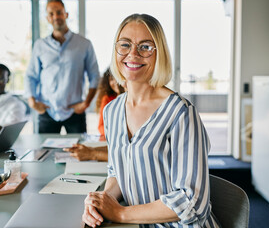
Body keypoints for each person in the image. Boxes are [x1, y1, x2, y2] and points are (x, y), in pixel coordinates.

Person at [82, 14, 220, 228]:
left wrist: (120, 214)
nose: (133, 54)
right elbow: (118, 171)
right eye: (125, 44)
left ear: (160, 54)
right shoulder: (112, 111)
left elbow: (192, 202)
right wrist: (104, 200)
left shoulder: (181, 112)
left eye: (145, 46)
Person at [25, 0, 100, 134]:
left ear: (66, 14)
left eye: (59, 12)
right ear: (47, 18)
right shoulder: (40, 45)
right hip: (47, 111)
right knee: (43, 153)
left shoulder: (84, 44)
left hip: (75, 111)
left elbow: (94, 75)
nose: (56, 17)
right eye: (51, 14)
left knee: (79, 152)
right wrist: (32, 102)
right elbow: (31, 76)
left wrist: (86, 103)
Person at [64, 68, 124, 161]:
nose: (115, 82)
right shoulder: (108, 99)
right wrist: (90, 151)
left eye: (118, 78)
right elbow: (102, 126)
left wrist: (92, 153)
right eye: (112, 79)